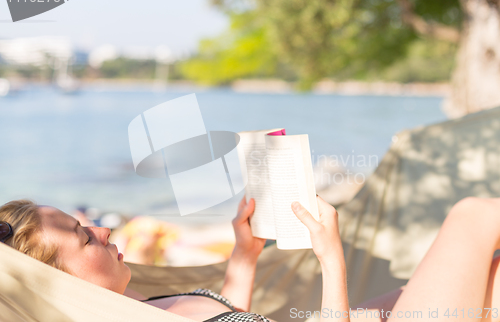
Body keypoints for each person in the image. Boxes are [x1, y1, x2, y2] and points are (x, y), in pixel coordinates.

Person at [2, 196, 500, 322]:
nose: (103, 228)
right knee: (472, 216)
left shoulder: (132, 304)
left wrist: (244, 253)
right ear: (56, 280)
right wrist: (331, 258)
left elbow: (226, 315)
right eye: (83, 237)